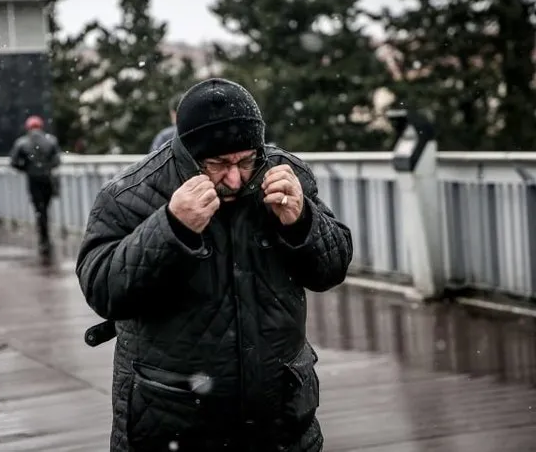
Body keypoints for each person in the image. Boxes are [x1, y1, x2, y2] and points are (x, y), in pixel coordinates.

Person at [76, 78, 353, 452]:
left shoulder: (284, 174)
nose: (236, 177)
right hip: (173, 418)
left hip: (281, 421)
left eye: (245, 160)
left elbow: (332, 269)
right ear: (190, 154)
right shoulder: (129, 194)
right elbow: (103, 289)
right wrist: (170, 227)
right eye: (218, 165)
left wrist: (302, 220)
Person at [9, 115, 61, 258]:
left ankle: (43, 237)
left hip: (33, 180)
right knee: (46, 207)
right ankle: (46, 236)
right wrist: (46, 167)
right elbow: (57, 161)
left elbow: (13, 162)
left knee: (39, 208)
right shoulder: (50, 141)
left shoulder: (22, 143)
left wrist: (26, 168)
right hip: (47, 179)